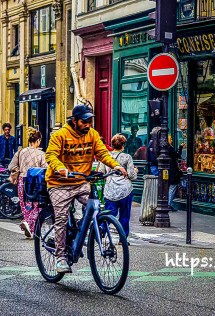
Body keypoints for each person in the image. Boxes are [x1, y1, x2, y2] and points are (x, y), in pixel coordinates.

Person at [45, 105, 127, 273]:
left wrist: (116, 165)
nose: (88, 124)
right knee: (61, 218)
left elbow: (103, 153)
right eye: (84, 121)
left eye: (90, 121)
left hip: (81, 181)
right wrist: (60, 167)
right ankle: (60, 258)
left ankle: (79, 231)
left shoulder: (93, 134)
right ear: (74, 121)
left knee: (95, 208)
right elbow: (50, 155)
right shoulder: (60, 135)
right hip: (59, 183)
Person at [97, 134, 138, 238]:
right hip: (125, 190)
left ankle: (103, 228)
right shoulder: (127, 157)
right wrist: (135, 171)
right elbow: (132, 176)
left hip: (110, 189)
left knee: (109, 213)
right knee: (124, 215)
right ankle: (123, 238)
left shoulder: (106, 157)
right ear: (123, 145)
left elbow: (101, 173)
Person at [7, 131, 47, 238]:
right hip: (35, 181)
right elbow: (45, 168)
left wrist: (19, 169)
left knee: (25, 205)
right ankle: (29, 224)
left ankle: (29, 226)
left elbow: (11, 166)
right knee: (37, 206)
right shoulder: (41, 154)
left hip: (22, 180)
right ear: (38, 141)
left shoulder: (20, 152)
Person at [164, 134, 183, 211]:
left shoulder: (165, 149)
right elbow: (177, 155)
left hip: (168, 171)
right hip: (172, 171)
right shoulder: (170, 149)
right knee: (172, 187)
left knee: (170, 187)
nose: (172, 140)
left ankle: (168, 203)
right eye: (170, 139)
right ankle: (168, 204)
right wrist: (180, 147)